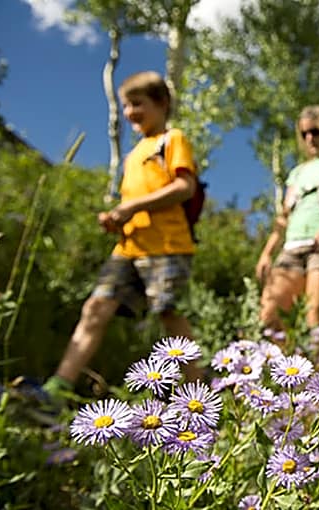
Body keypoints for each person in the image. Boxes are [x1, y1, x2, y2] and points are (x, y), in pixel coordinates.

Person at [41, 71, 202, 405]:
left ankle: (197, 397)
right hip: (128, 246)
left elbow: (184, 187)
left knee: (169, 313)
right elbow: (135, 202)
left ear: (162, 104)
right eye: (126, 105)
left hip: (167, 246)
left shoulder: (172, 140)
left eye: (137, 104)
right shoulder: (133, 156)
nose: (129, 112)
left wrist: (131, 207)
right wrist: (118, 217)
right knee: (96, 307)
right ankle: (56, 389)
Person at [255, 105, 319, 360]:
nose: (310, 138)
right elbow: (284, 215)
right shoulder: (298, 173)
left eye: (316, 131)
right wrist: (267, 252)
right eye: (304, 134)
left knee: (316, 315)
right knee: (269, 312)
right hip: (292, 246)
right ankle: (285, 377)